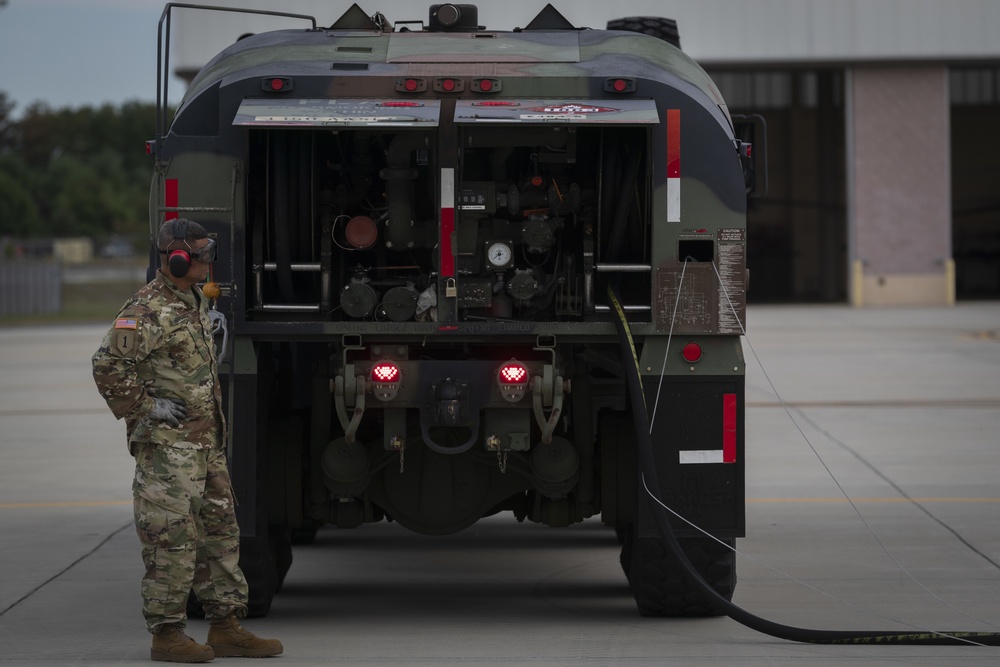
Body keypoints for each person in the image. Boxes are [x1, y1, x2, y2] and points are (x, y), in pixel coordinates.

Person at [92, 219, 282, 663]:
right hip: (168, 453)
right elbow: (107, 366)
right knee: (171, 541)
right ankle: (167, 635)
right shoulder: (147, 309)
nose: (207, 261)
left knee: (220, 536)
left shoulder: (191, 300)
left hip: (204, 447)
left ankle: (226, 626)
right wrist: (145, 407)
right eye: (199, 254)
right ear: (176, 259)